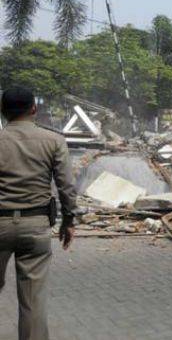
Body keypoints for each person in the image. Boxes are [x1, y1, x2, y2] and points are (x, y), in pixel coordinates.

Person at [0, 87, 77, 340]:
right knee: (32, 301)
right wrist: (69, 221)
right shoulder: (54, 141)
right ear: (34, 109)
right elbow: (66, 186)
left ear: (3, 111)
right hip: (36, 226)